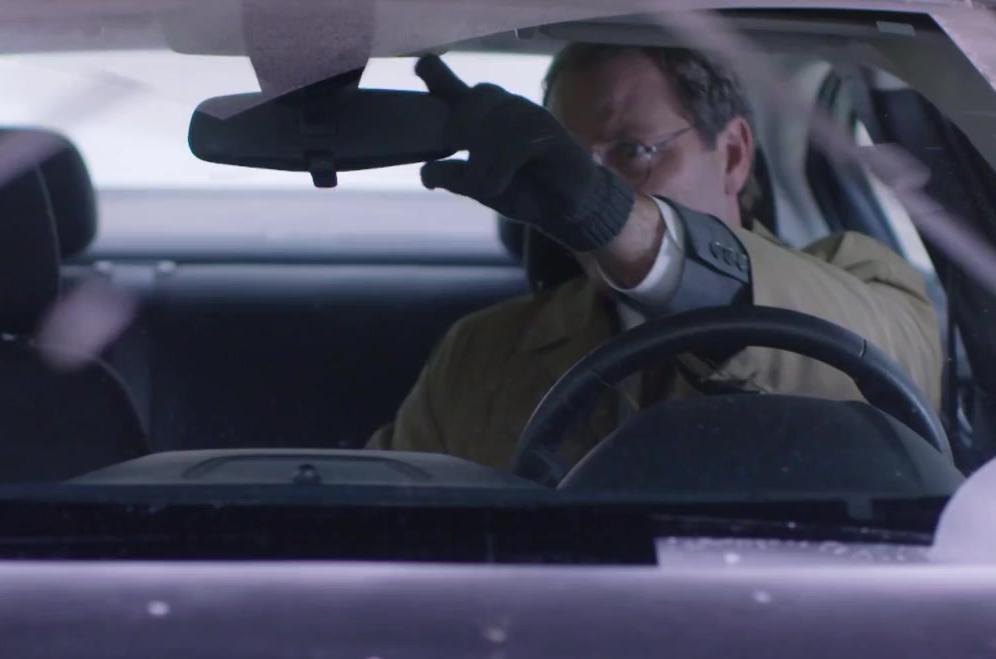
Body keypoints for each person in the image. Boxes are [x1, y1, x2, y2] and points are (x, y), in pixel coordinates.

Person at [368, 43, 942, 473]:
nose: (578, 189)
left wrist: (613, 216)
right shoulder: (481, 351)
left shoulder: (865, 274)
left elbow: (882, 367)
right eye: (569, 163)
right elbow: (389, 523)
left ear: (733, 154)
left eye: (634, 151)